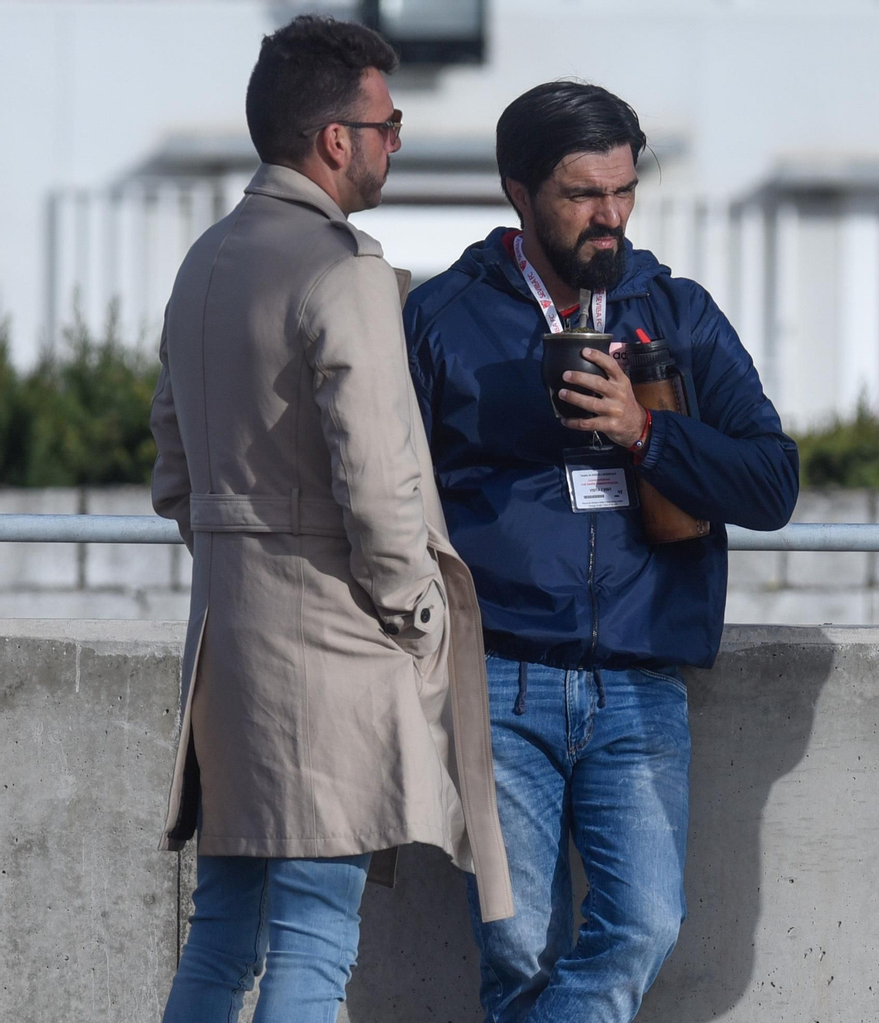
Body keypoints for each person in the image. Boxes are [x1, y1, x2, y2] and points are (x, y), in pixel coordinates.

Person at [404, 81, 798, 1023]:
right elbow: (391, 500)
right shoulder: (443, 318)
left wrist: (646, 434)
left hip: (640, 679)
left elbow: (772, 482)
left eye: (623, 192)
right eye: (583, 195)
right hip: (496, 678)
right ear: (519, 191)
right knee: (515, 949)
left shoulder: (680, 313)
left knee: (645, 926)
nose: (609, 217)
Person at [149, 16, 511, 1023]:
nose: (397, 140)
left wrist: (244, 556)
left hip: (227, 655)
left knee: (221, 945)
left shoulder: (204, 264)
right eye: (387, 121)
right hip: (334, 655)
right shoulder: (343, 269)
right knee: (314, 945)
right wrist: (417, 617)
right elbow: (382, 479)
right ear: (335, 139)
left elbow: (173, 472)